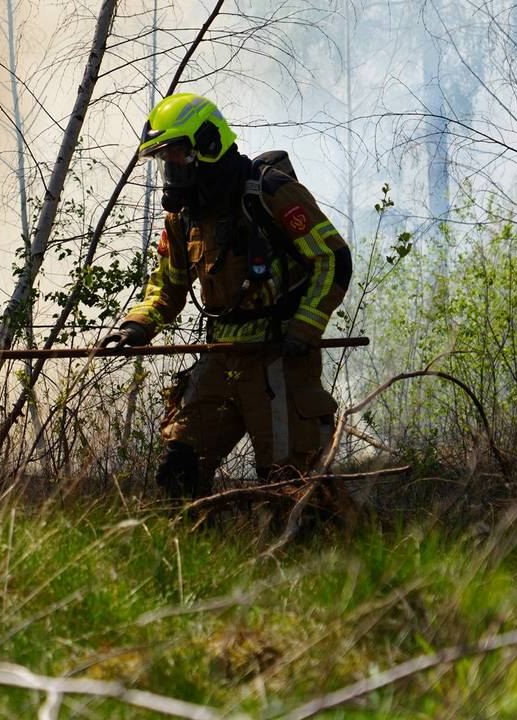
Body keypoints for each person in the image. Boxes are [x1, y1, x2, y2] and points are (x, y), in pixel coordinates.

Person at [100, 93, 352, 500]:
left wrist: (305, 327)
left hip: (278, 358)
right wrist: (135, 326)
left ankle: (328, 554)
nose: (170, 167)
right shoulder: (183, 216)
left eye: (176, 154)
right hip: (222, 356)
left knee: (290, 484)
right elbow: (167, 286)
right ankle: (192, 558)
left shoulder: (270, 193)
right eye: (163, 158)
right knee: (180, 467)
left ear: (208, 144)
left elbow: (332, 260)